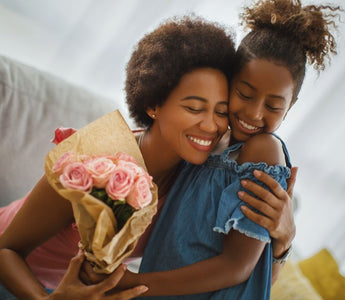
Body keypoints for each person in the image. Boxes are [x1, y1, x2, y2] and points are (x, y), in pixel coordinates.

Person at [0, 15, 296, 299]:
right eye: (194, 108)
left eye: (220, 111)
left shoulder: (197, 174)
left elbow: (240, 274)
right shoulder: (93, 160)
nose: (211, 126)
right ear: (154, 104)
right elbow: (7, 249)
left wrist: (282, 241)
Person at [104, 0, 340, 298]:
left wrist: (133, 284)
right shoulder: (209, 143)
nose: (254, 113)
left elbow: (237, 267)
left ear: (290, 107)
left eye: (272, 105)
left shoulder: (263, 151)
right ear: (229, 81)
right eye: (244, 93)